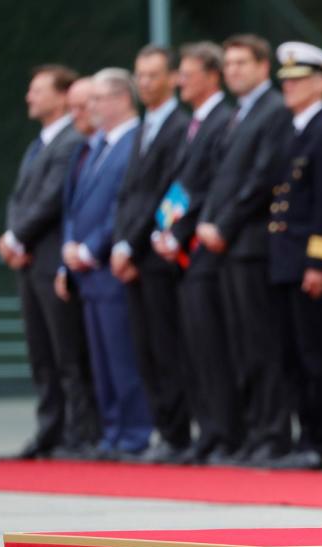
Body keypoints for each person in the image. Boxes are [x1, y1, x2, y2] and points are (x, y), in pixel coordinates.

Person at [196, 34, 292, 465]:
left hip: (251, 243)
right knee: (240, 344)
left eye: (240, 63)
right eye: (229, 63)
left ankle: (272, 434)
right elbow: (219, 178)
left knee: (262, 343)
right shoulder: (238, 113)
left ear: (261, 66)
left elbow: (262, 176)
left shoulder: (272, 110)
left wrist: (224, 223)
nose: (232, 70)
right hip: (228, 244)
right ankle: (254, 432)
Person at [0, 65, 96, 460]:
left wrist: (17, 236)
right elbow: (20, 199)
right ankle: (50, 430)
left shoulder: (71, 140)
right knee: (42, 353)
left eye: (38, 90)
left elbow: (52, 198)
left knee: (67, 353)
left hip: (52, 258)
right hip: (29, 260)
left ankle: (78, 432)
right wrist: (11, 236)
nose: (29, 97)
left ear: (62, 96)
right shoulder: (39, 143)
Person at [151, 41, 239, 464]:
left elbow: (211, 185)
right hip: (186, 247)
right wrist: (166, 229)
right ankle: (210, 432)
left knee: (212, 348)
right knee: (196, 349)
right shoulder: (198, 122)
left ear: (211, 75)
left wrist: (182, 231)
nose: (180, 80)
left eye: (187, 72)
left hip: (206, 250)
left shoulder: (221, 119)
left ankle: (223, 432)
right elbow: (185, 185)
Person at [265, 41, 322, 470]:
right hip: (284, 258)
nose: (289, 87)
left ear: (320, 83)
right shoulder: (292, 129)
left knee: (316, 354)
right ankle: (304, 438)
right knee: (291, 354)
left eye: (298, 80)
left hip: (307, 261)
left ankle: (321, 443)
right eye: (286, 80)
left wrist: (319, 262)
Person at [63, 68, 152, 458]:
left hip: (109, 265)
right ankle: (113, 431)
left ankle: (134, 433)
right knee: (101, 359)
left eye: (97, 99)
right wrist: (70, 247)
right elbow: (74, 205)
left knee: (122, 355)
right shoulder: (95, 146)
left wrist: (92, 248)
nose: (91, 107)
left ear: (120, 99)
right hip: (86, 270)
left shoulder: (135, 141)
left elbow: (124, 202)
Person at [111, 45, 193, 464]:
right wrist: (119, 243)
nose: (145, 82)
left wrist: (132, 243)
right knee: (144, 347)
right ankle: (165, 429)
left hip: (157, 254)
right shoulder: (145, 126)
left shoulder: (179, 125)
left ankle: (178, 434)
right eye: (139, 75)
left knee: (166, 345)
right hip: (134, 256)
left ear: (173, 77)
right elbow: (129, 194)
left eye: (154, 75)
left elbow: (166, 192)